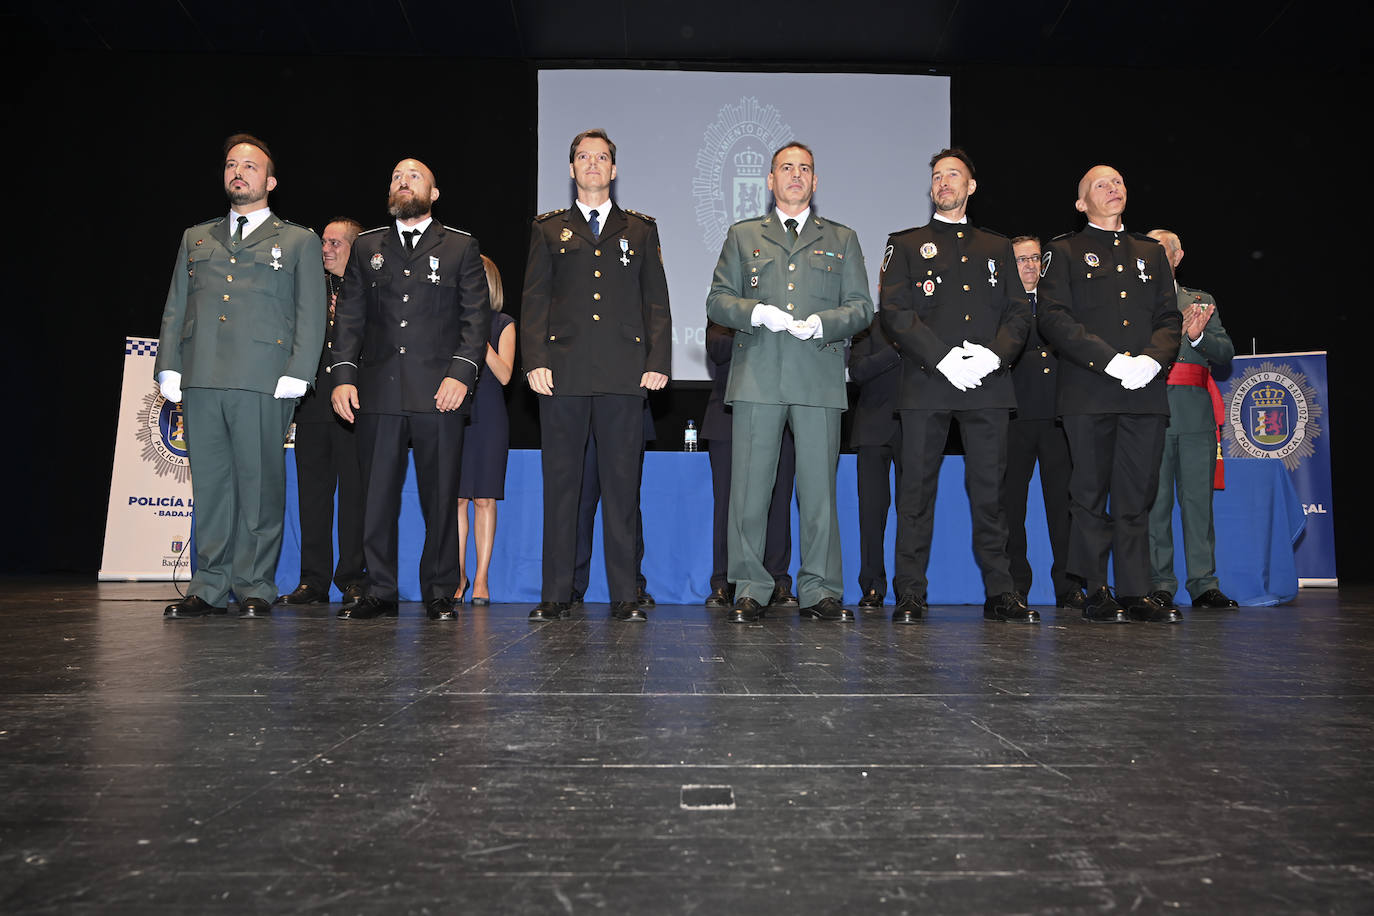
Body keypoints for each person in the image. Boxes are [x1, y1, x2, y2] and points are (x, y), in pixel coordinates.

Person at [157, 134, 325, 619]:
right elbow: (176, 306)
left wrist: (298, 372)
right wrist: (169, 364)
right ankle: (208, 586)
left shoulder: (297, 240)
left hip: (263, 379)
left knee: (259, 484)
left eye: (250, 167)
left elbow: (310, 312)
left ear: (270, 181)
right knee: (210, 486)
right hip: (203, 375)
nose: (239, 172)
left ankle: (255, 584)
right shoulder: (197, 237)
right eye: (232, 165)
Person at [706, 141, 872, 623]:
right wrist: (755, 311)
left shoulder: (842, 238)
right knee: (750, 493)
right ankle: (751, 586)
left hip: (818, 377)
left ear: (815, 182)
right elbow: (717, 300)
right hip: (758, 375)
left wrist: (826, 324)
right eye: (786, 168)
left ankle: (820, 588)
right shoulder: (743, 235)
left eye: (805, 169)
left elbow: (862, 307)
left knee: (819, 492)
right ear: (770, 181)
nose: (796, 175)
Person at [330, 158, 491, 621]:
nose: (403, 181)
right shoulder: (367, 247)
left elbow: (474, 320)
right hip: (378, 394)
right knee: (375, 497)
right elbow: (350, 320)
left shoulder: (460, 246)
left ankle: (441, 590)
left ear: (434, 193)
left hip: (439, 394)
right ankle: (379, 589)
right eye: (397, 176)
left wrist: (460, 376)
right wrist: (342, 377)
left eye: (414, 176)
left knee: (441, 497)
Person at [521, 128, 672, 623]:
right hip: (561, 374)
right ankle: (556, 594)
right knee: (562, 487)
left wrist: (657, 363)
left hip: (624, 376)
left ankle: (625, 595)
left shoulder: (640, 230)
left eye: (601, 157)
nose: (592, 164)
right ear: (571, 169)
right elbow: (535, 300)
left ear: (613, 170)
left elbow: (656, 302)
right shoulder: (548, 230)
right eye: (583, 157)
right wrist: (535, 360)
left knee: (622, 487)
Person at [878, 148, 1032, 623]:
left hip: (986, 384)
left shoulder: (997, 246)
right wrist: (942, 357)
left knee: (990, 493)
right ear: (930, 189)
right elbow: (896, 312)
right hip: (927, 383)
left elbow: (1019, 311)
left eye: (954, 176)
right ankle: (909, 592)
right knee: (915, 493)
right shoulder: (904, 244)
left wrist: (992, 355)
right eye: (937, 176)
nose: (944, 182)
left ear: (971, 187)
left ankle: (1001, 591)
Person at [1037, 166, 1183, 623]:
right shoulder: (1063, 252)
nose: (1113, 188)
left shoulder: (1150, 252)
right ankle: (1095, 588)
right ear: (1081, 203)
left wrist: (1152, 360)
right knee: (1088, 492)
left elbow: (1169, 317)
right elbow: (1054, 318)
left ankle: (1137, 589)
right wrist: (1110, 361)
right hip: (1089, 390)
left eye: (1118, 182)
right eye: (1100, 185)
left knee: (1137, 493)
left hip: (1144, 391)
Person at [1145, 229, 1238, 610]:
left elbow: (1226, 352)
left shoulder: (1201, 301)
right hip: (1152, 410)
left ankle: (1204, 584)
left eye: (1161, 250)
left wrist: (1198, 338)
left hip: (1197, 414)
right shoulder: (1132, 301)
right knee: (1156, 503)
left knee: (1198, 502)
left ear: (1177, 256)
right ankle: (1159, 583)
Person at [280, 217, 368, 608]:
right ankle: (312, 581)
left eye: (334, 243)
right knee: (312, 496)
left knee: (355, 495)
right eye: (323, 243)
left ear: (355, 247)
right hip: (313, 406)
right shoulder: (310, 288)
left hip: (355, 406)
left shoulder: (370, 289)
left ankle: (352, 578)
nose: (325, 250)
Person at [1001, 235, 1085, 610]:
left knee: (1064, 507)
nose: (1031, 266)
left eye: (1036, 258)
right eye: (1022, 260)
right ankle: (1016, 585)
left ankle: (1069, 585)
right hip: (1014, 416)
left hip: (1056, 417)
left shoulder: (1061, 305)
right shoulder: (1000, 306)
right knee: (1011, 508)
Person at [703, 320, 798, 610]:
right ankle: (723, 582)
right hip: (727, 416)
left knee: (778, 500)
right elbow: (717, 348)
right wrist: (760, 327)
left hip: (781, 412)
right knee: (728, 505)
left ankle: (778, 580)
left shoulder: (787, 304)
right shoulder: (727, 306)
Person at [455, 255, 516, 606]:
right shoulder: (449, 320)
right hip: (454, 413)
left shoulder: (503, 323)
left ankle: (481, 579)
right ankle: (457, 575)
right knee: (457, 499)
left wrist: (480, 338)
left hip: (490, 416)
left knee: (484, 498)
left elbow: (506, 375)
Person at [570, 405, 656, 607]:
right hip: (583, 413)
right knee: (580, 505)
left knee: (626, 504)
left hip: (626, 411)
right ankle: (572, 583)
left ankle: (632, 582)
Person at [846, 315, 902, 610]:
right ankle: (871, 587)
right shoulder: (866, 325)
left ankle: (910, 587)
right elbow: (857, 371)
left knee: (913, 514)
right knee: (871, 514)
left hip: (916, 428)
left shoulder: (926, 320)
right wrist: (895, 350)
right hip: (872, 429)